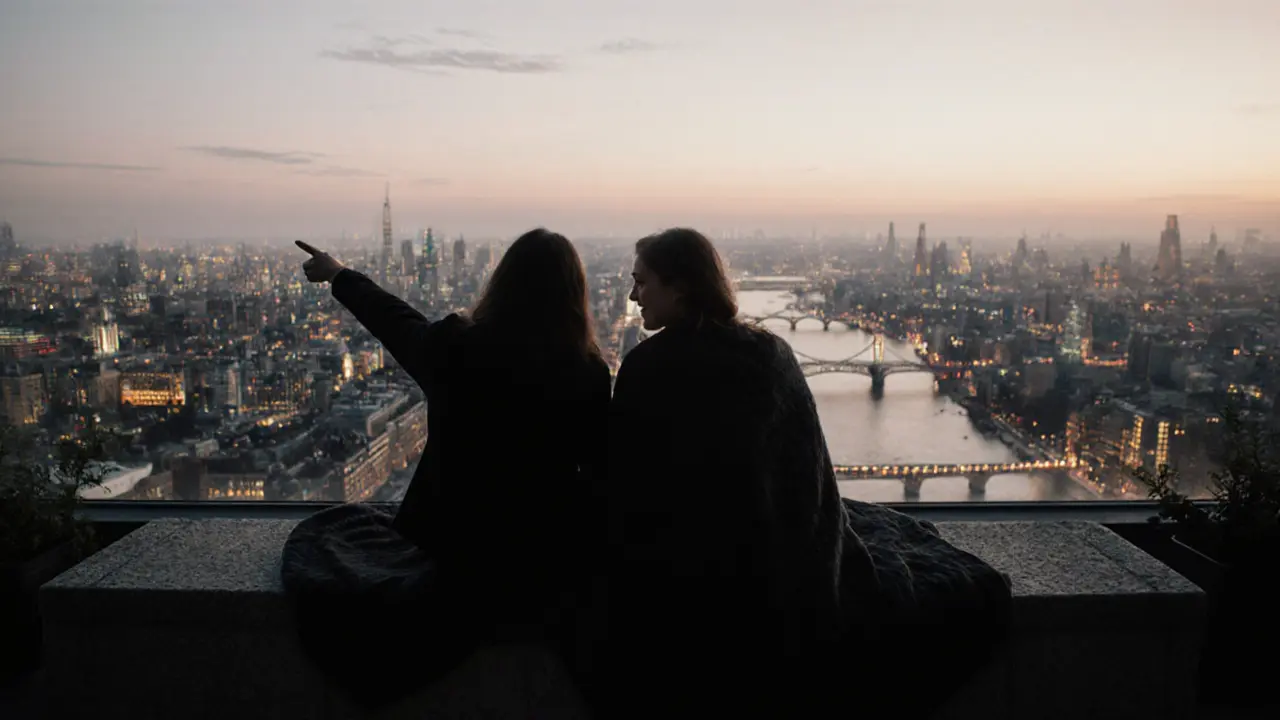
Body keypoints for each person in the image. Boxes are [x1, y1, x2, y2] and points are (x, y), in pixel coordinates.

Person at [587, 228, 1012, 718]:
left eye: (641, 282)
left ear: (679, 286)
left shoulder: (645, 368)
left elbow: (629, 488)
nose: (632, 295)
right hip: (778, 567)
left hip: (686, 583)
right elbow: (804, 475)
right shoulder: (770, 354)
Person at [283, 229, 612, 707]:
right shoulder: (587, 371)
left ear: (501, 284)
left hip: (456, 546)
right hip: (539, 556)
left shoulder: (458, 347)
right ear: (573, 294)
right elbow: (597, 470)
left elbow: (397, 321)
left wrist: (339, 275)